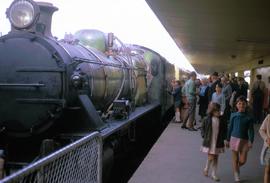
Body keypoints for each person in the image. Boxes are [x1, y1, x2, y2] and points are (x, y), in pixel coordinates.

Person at [226, 96, 254, 182]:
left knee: (242, 160)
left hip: (245, 141)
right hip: (234, 139)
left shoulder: (249, 117)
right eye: (239, 103)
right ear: (236, 105)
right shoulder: (233, 115)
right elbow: (230, 127)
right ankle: (236, 175)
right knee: (235, 158)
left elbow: (251, 130)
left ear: (246, 105)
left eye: (243, 104)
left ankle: (236, 167)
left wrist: (251, 141)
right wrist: (227, 139)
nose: (241, 105)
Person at [200, 103, 227, 181]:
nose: (219, 112)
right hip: (210, 142)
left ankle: (213, 173)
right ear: (212, 111)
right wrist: (204, 135)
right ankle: (207, 168)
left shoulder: (221, 119)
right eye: (217, 111)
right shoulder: (207, 119)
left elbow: (224, 129)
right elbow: (203, 128)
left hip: (218, 142)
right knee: (211, 157)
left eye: (219, 110)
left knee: (216, 157)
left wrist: (225, 139)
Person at [259, 114, 270, 183]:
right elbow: (261, 130)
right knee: (268, 169)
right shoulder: (269, 117)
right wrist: (267, 138)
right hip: (269, 148)